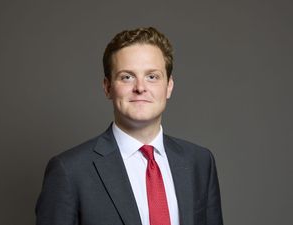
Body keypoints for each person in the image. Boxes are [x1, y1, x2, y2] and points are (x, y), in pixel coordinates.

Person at [36, 27, 223, 225]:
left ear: (169, 86)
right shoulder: (69, 171)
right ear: (108, 87)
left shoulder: (200, 162)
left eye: (152, 76)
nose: (140, 88)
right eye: (127, 77)